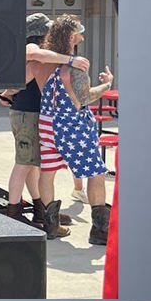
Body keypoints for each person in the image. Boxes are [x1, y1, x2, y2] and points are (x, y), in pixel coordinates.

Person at [0, 13, 90, 236]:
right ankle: (14, 211)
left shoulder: (46, 55)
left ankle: (40, 207)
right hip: (27, 113)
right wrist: (69, 59)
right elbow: (31, 54)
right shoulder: (34, 50)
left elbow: (14, 86)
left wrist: (7, 92)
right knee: (24, 163)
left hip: (31, 112)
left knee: (32, 164)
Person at [31, 14, 114, 244]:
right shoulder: (76, 65)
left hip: (47, 124)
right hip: (72, 126)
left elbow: (14, 86)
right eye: (80, 30)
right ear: (70, 35)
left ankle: (50, 226)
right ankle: (99, 230)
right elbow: (84, 98)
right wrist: (107, 84)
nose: (83, 34)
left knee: (47, 173)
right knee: (96, 172)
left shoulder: (42, 62)